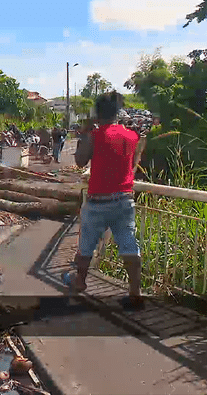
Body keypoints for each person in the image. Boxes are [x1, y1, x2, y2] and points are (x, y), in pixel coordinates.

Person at [62, 91, 145, 310]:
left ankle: (80, 281)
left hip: (98, 200)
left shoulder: (96, 136)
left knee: (86, 245)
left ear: (97, 114)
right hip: (125, 200)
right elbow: (132, 164)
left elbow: (80, 161)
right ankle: (135, 292)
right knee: (129, 244)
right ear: (117, 113)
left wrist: (85, 134)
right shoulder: (132, 136)